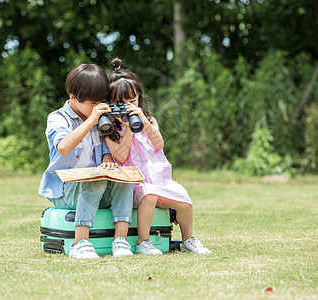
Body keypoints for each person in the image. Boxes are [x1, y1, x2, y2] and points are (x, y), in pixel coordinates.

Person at [104, 58, 211, 255]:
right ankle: (143, 242)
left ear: (139, 99)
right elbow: (120, 157)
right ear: (109, 104)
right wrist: (127, 129)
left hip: (161, 181)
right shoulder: (109, 129)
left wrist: (142, 120)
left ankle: (188, 239)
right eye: (120, 103)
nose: (127, 107)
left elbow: (159, 144)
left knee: (185, 200)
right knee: (149, 194)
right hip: (134, 185)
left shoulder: (149, 121)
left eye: (132, 101)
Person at [38, 63, 134, 259]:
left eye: (102, 102)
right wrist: (91, 121)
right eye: (93, 103)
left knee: (124, 180)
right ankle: (80, 243)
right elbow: (64, 147)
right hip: (66, 191)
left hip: (94, 190)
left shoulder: (98, 116)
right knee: (95, 180)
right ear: (73, 98)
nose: (98, 107)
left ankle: (121, 241)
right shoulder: (58, 118)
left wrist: (107, 159)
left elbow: (105, 147)